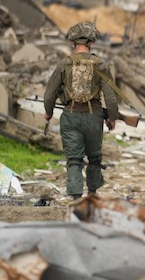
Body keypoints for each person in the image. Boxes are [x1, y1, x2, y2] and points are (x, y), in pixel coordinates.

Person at [43, 21, 118, 200]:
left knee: (74, 160)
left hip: (70, 116)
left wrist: (49, 112)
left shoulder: (64, 64)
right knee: (94, 157)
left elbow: (49, 94)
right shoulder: (100, 65)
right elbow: (111, 97)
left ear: (73, 42)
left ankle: (76, 199)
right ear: (91, 42)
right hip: (94, 117)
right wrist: (112, 117)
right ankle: (92, 194)